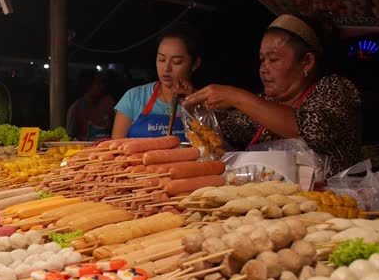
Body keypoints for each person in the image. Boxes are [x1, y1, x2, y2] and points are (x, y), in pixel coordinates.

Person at [183, 14, 361, 176]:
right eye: (262, 60)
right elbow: (228, 125)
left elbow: (314, 129)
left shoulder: (335, 89)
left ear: (307, 62)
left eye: (273, 60)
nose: (263, 69)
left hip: (328, 206)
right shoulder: (267, 102)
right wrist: (197, 104)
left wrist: (235, 96)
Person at [111, 23, 203, 139]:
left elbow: (213, 149)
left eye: (176, 62)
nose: (166, 68)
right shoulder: (133, 97)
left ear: (195, 64)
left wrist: (194, 107)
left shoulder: (204, 103)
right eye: (161, 59)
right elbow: (115, 149)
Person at [66, 71, 115, 141]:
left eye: (102, 83)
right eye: (98, 84)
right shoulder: (76, 108)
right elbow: (70, 136)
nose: (102, 87)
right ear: (87, 86)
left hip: (107, 148)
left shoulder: (108, 103)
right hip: (86, 149)